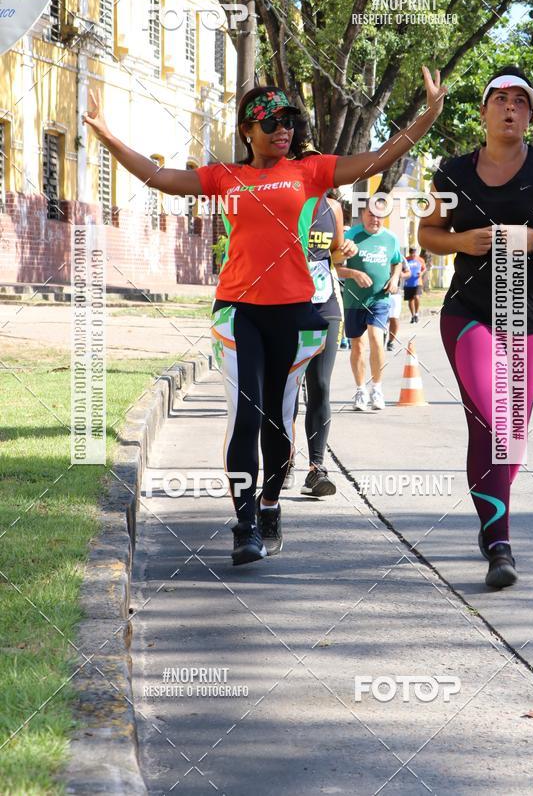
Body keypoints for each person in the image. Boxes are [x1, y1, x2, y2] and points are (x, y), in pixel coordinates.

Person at [84, 66, 446, 565]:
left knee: (279, 422)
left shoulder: (311, 171)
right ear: (246, 131)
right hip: (238, 312)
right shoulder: (224, 176)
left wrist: (428, 114)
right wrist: (107, 136)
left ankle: (271, 505)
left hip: (297, 314)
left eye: (289, 120)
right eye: (271, 120)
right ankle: (245, 523)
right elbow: (161, 177)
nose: (284, 128)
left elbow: (378, 157)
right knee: (246, 415)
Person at [419, 65, 533, 589]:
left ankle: (490, 519)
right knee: (493, 421)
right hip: (470, 311)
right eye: (502, 99)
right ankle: (500, 544)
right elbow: (429, 232)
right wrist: (461, 242)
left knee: (509, 438)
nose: (511, 108)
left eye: (522, 102)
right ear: (484, 110)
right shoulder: (452, 173)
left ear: (531, 116)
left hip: (529, 315)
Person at [287, 189, 357, 497]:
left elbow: (335, 253)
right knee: (286, 388)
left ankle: (316, 469)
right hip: (286, 305)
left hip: (325, 304)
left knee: (321, 385)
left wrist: (347, 249)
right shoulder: (282, 201)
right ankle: (283, 460)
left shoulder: (333, 207)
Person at [343, 200, 405, 410]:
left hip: (379, 298)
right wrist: (354, 273)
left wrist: (395, 278)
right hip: (353, 300)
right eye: (371, 214)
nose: (375, 219)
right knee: (358, 346)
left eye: (379, 215)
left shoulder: (390, 239)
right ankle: (361, 390)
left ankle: (377, 388)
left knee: (377, 340)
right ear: (363, 215)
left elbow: (397, 262)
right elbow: (335, 266)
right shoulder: (351, 236)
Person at [386, 252, 411, 350]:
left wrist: (401, 274)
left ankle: (390, 341)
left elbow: (408, 272)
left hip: (395, 293)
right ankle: (380, 339)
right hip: (378, 293)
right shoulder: (376, 253)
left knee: (394, 318)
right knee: (380, 319)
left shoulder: (399, 256)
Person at [404, 246, 426, 323]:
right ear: (409, 252)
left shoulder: (420, 260)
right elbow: (402, 268)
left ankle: (416, 314)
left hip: (418, 282)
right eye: (411, 252)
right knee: (410, 300)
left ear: (416, 252)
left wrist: (421, 273)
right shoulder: (406, 260)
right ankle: (413, 316)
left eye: (414, 252)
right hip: (408, 283)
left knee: (416, 297)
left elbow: (424, 269)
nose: (413, 254)